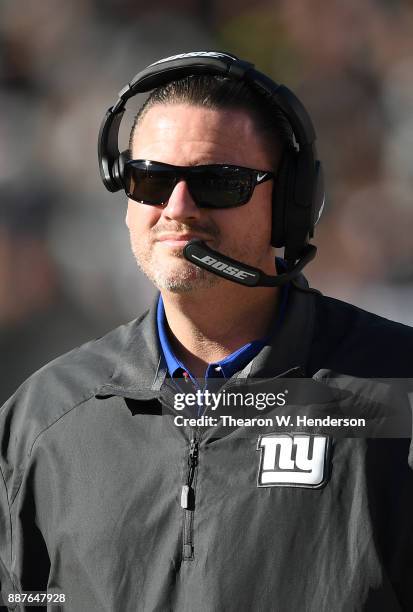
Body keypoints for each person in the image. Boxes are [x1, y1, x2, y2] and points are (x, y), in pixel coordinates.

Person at [1, 51, 412, 612]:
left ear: (292, 205)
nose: (177, 207)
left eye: (219, 182)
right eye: (150, 179)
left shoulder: (400, 393)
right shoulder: (43, 416)